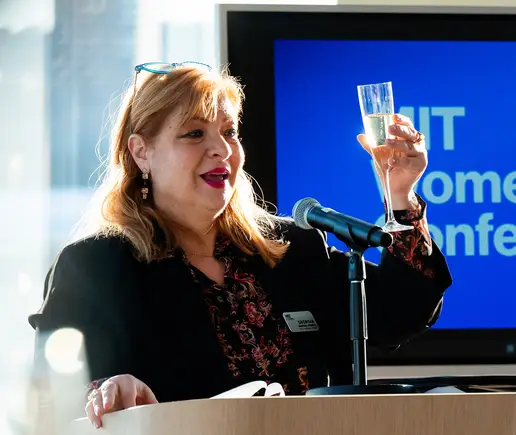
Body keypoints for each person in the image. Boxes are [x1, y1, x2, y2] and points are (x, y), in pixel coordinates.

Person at [28, 62, 452, 428]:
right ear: (141, 152)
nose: (221, 149)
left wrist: (401, 197)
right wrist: (106, 391)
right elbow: (53, 396)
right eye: (194, 134)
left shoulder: (293, 248)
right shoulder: (96, 267)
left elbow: (400, 312)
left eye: (229, 132)